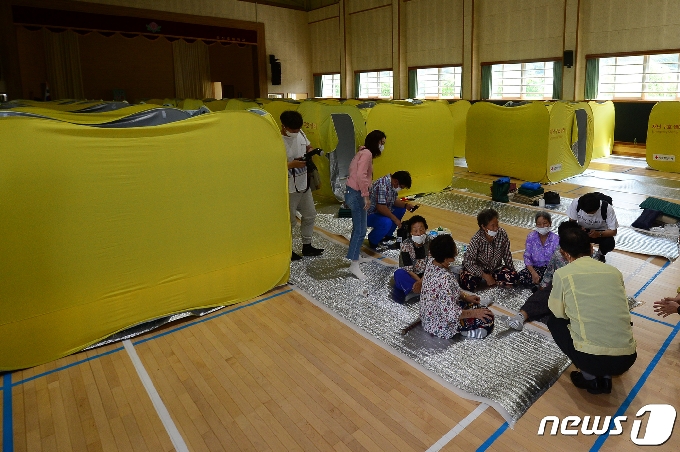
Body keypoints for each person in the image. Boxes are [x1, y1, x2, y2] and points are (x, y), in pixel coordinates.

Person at [547, 227, 636, 394]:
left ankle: (591, 378)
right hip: (626, 358)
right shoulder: (614, 272)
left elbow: (558, 312)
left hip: (591, 359)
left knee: (554, 321)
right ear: (591, 248)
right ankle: (606, 378)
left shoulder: (563, 274)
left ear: (564, 253)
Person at [506, 221, 581, 330]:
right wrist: (542, 287)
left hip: (579, 290)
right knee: (543, 295)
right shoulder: (558, 252)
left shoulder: (588, 253)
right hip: (560, 286)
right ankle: (520, 317)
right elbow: (549, 272)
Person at [420, 234, 494, 339]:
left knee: (478, 308)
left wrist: (465, 297)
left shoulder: (432, 261)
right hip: (440, 324)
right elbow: (451, 314)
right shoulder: (445, 279)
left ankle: (476, 307)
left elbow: (448, 293)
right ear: (446, 259)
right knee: (488, 317)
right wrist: (475, 313)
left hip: (431, 314)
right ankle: (469, 332)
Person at [281, 110, 324, 261]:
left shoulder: (301, 133)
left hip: (303, 184)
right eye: (293, 130)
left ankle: (307, 246)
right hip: (288, 189)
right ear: (284, 126)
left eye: (298, 129)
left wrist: (311, 151)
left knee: (310, 215)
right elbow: (269, 165)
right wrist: (291, 164)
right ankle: (288, 249)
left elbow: (308, 146)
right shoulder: (276, 139)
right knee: (290, 222)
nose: (296, 132)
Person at [345, 130, 385, 280]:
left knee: (358, 227)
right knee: (361, 230)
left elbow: (355, 172)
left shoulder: (362, 152)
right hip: (356, 194)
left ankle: (354, 256)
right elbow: (361, 175)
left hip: (352, 192)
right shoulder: (367, 154)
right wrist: (365, 196)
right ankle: (353, 264)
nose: (382, 146)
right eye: (382, 143)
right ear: (376, 142)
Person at [459, 209, 518, 291]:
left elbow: (507, 254)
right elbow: (468, 262)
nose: (496, 228)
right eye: (492, 225)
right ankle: (487, 280)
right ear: (483, 227)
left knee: (514, 278)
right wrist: (485, 276)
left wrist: (512, 271)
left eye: (497, 224)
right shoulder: (476, 239)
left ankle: (492, 280)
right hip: (479, 269)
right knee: (469, 283)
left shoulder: (502, 234)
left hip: (495, 268)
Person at [366, 171, 417, 248]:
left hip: (380, 209)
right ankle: (373, 240)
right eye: (401, 187)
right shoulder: (382, 185)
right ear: (396, 181)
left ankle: (387, 234)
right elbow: (381, 207)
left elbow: (393, 200)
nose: (400, 189)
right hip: (369, 213)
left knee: (401, 209)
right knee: (387, 222)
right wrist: (395, 219)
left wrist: (405, 205)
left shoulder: (392, 184)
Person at [567, 192, 618, 262]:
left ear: (597, 208)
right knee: (569, 235)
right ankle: (578, 255)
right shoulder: (576, 203)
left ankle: (600, 255)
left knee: (609, 243)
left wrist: (599, 234)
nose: (587, 215)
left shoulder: (607, 208)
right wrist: (578, 228)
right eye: (585, 212)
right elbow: (572, 222)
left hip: (601, 232)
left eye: (591, 213)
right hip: (582, 230)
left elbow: (613, 231)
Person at [517, 212, 560, 287]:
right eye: (539, 224)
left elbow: (558, 260)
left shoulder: (556, 239)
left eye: (545, 223)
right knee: (519, 278)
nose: (542, 226)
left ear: (550, 223)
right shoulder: (531, 237)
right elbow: (527, 257)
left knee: (553, 282)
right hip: (535, 268)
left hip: (551, 270)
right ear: (536, 225)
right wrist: (533, 272)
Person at [393, 215, 430, 302]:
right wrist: (419, 282)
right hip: (413, 276)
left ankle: (420, 289)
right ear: (410, 233)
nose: (419, 233)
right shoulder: (406, 245)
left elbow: (432, 265)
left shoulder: (430, 243)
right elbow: (408, 269)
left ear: (425, 229)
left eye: (421, 229)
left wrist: (422, 281)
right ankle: (417, 290)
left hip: (427, 275)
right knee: (399, 274)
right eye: (415, 231)